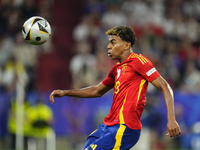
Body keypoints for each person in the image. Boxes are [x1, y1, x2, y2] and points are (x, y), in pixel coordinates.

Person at [49, 25, 181, 150]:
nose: (108, 46)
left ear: (126, 45)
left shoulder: (139, 61)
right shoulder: (116, 69)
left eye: (113, 42)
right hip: (107, 126)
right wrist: (65, 92)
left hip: (125, 127)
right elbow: (96, 90)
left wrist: (171, 119)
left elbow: (165, 86)